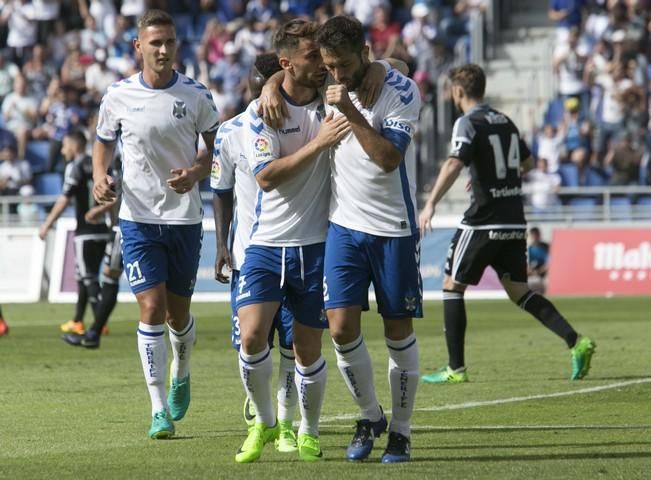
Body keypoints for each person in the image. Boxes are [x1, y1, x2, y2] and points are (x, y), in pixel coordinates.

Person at [418, 64, 596, 385]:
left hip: (484, 221)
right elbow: (526, 164)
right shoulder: (507, 122)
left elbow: (454, 161)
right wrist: (494, 175)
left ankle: (455, 369)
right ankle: (576, 341)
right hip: (514, 221)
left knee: (451, 287)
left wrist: (430, 203)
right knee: (520, 292)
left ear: (459, 92)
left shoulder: (467, 122)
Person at [92, 9, 219, 439]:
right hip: (138, 219)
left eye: (169, 42)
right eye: (155, 43)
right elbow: (103, 144)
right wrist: (99, 177)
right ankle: (157, 407)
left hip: (184, 220)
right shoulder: (118, 96)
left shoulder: (197, 95)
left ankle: (181, 369)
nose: (163, 50)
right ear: (138, 47)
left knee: (178, 316)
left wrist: (197, 174)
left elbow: (213, 151)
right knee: (152, 308)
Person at [232, 18, 349, 464]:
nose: (322, 64)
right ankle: (263, 422)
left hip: (317, 243)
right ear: (286, 63)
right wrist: (318, 143)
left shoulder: (331, 97)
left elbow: (390, 64)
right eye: (311, 57)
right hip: (266, 243)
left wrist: (275, 81)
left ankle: (308, 430)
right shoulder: (262, 113)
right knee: (252, 336)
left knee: (307, 348)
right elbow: (265, 177)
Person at [316, 15, 422, 463]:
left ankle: (400, 430)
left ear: (364, 54)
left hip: (393, 229)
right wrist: (269, 86)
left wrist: (351, 111)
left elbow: (387, 159)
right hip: (343, 225)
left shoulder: (400, 91)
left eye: (343, 64)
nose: (336, 75)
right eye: (328, 67)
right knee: (340, 328)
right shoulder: (331, 82)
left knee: (397, 330)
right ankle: (369, 415)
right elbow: (286, 63)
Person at [211, 52, 299, 454]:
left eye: (262, 80)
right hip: (249, 255)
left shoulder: (303, 119)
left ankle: (285, 421)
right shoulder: (229, 131)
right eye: (253, 80)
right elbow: (220, 190)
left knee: (293, 344)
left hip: (296, 246)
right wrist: (220, 245)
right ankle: (262, 401)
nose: (254, 85)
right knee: (251, 340)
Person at [38, 130, 112, 336]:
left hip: (85, 231)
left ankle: (100, 322)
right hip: (103, 230)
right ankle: (78, 320)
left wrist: (47, 224)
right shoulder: (99, 165)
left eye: (65, 145)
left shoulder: (75, 166)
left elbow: (64, 199)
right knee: (83, 276)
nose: (62, 151)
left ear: (75, 145)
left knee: (88, 277)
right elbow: (116, 195)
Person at [528, 227, 550, 294]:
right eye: (533, 235)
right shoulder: (529, 249)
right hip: (533, 274)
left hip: (545, 274)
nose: (535, 237)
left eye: (536, 235)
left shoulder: (546, 247)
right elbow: (527, 266)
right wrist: (532, 272)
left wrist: (539, 272)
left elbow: (549, 264)